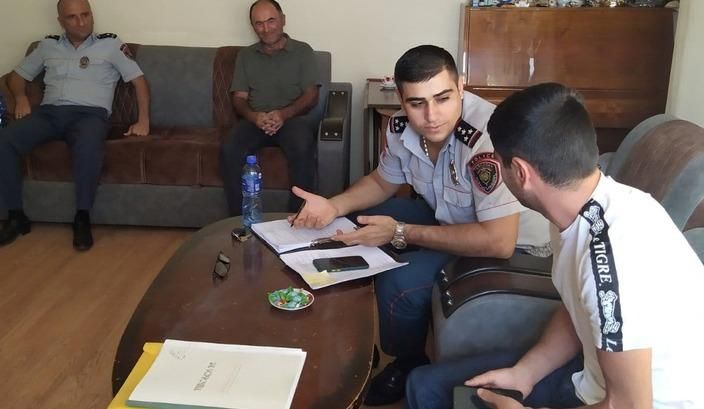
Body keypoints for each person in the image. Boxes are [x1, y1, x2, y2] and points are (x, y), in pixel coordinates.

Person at [405, 83, 704, 409]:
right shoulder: (583, 206)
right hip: (593, 378)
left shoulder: (611, 256)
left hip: (643, 402)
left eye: (500, 163)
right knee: (425, 386)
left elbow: (630, 406)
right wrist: (525, 373)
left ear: (520, 172)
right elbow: (578, 309)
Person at [288, 45, 551, 406]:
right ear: (400, 99)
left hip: (515, 248)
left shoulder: (487, 139)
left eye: (443, 98)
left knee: (400, 281)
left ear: (461, 86)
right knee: (358, 221)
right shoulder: (401, 127)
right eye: (417, 103)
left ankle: (408, 362)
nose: (431, 116)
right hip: (455, 219)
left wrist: (400, 232)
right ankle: (356, 335)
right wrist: (333, 206)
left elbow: (498, 241)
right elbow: (381, 182)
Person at [0, 0, 150, 251]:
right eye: (73, 17)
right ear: (60, 21)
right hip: (49, 114)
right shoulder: (47, 46)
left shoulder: (111, 44)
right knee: (1, 142)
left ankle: (82, 217)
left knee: (88, 145)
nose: (82, 22)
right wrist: (20, 98)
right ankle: (16, 217)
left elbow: (139, 81)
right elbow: (17, 76)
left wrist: (143, 120)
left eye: (86, 14)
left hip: (90, 115)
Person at [221, 0, 319, 214]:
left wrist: (283, 114)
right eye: (259, 23)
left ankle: (298, 217)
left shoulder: (302, 51)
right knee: (230, 147)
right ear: (252, 26)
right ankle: (239, 219)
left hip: (291, 119)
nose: (266, 29)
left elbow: (311, 94)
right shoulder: (246, 55)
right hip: (255, 121)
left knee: (302, 146)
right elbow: (239, 98)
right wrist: (254, 117)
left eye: (271, 21)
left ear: (283, 20)